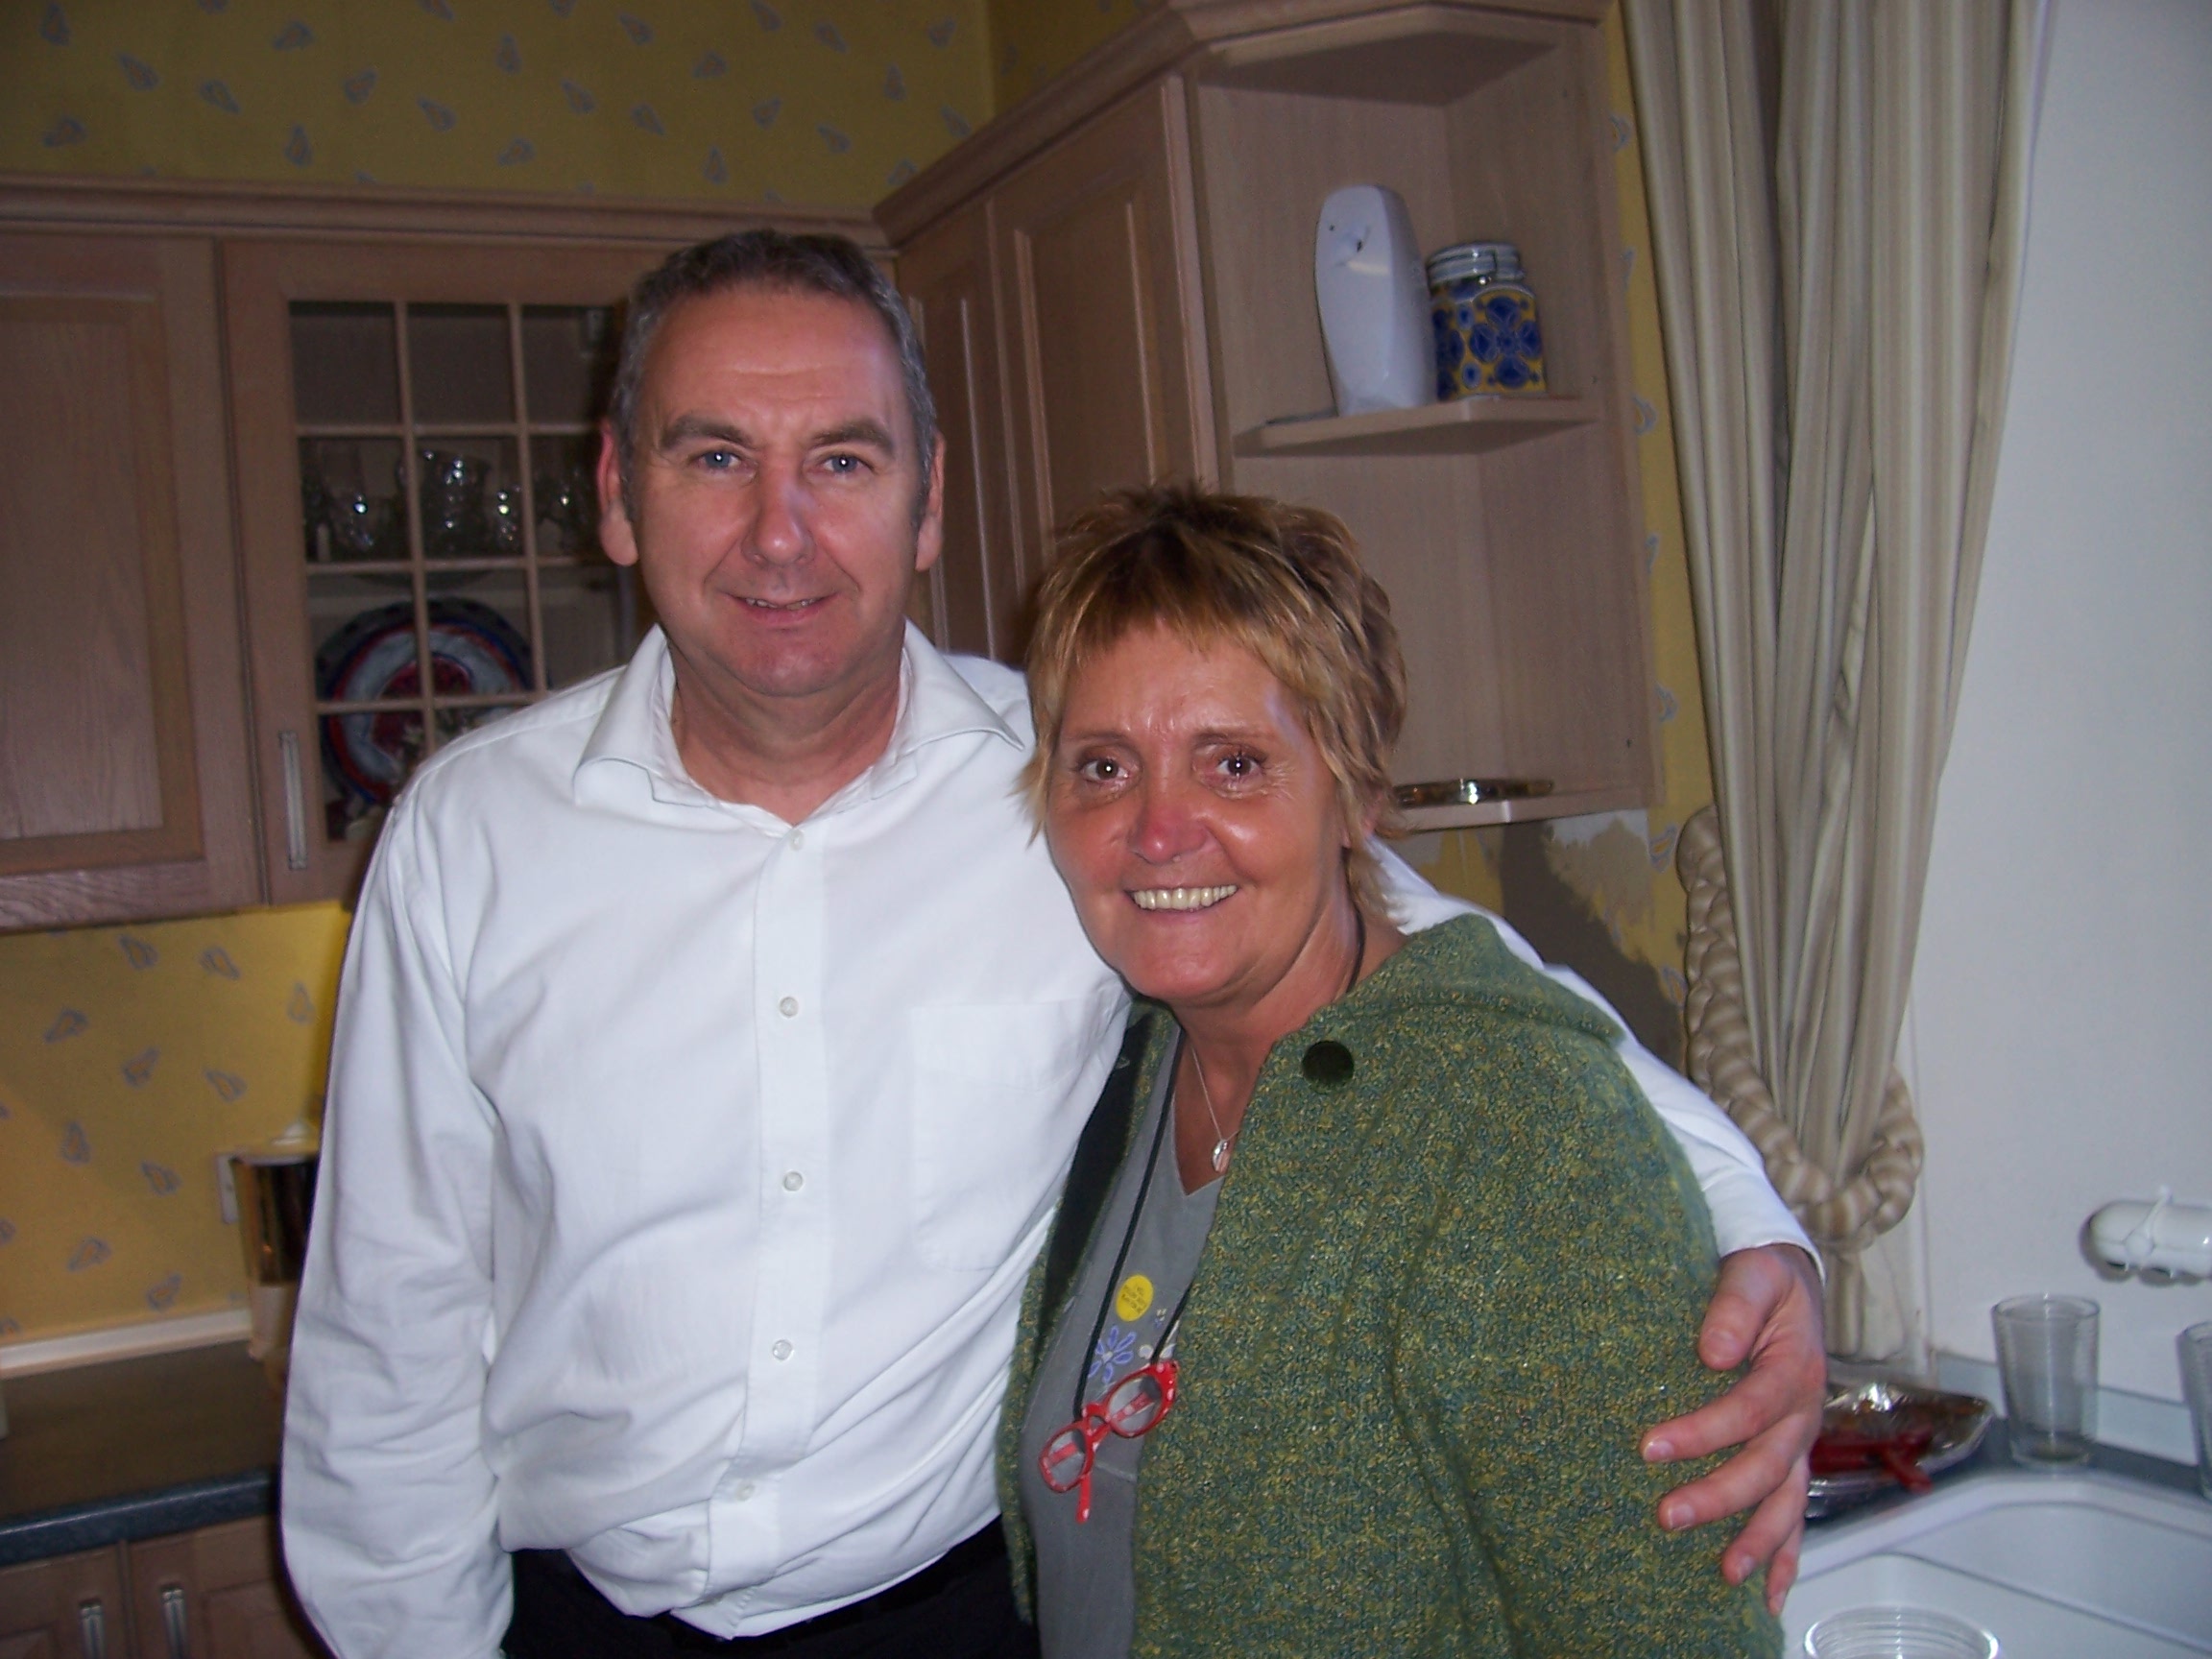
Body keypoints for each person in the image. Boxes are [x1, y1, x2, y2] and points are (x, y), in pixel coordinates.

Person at [279, 230, 1822, 1659]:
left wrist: (1761, 1244)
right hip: (578, 1623)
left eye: (841, 457)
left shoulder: (1084, 778)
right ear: (618, 490)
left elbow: (1458, 982)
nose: (781, 531)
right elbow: (389, 1335)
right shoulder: (470, 837)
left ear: (929, 497)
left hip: (957, 1619)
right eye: (713, 458)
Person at [1004, 483, 1780, 1655]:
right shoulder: (1126, 1070)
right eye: (1104, 768)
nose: (1158, 831)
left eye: (1233, 764)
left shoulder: (1516, 1141)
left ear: (1357, 795)